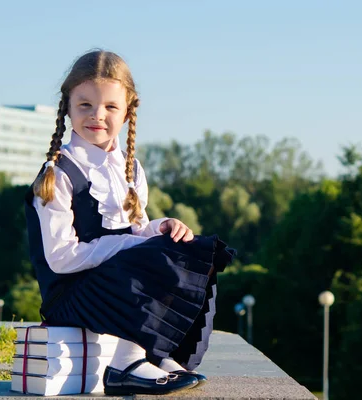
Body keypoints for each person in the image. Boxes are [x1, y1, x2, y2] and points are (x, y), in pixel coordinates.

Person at [24, 50, 235, 396]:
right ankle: (125, 365)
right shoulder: (58, 174)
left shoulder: (131, 169)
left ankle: (160, 352)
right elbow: (61, 257)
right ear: (68, 106)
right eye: (85, 105)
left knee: (193, 250)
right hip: (72, 295)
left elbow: (138, 230)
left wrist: (163, 228)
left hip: (115, 282)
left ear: (127, 111)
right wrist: (130, 245)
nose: (97, 116)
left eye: (110, 107)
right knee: (142, 257)